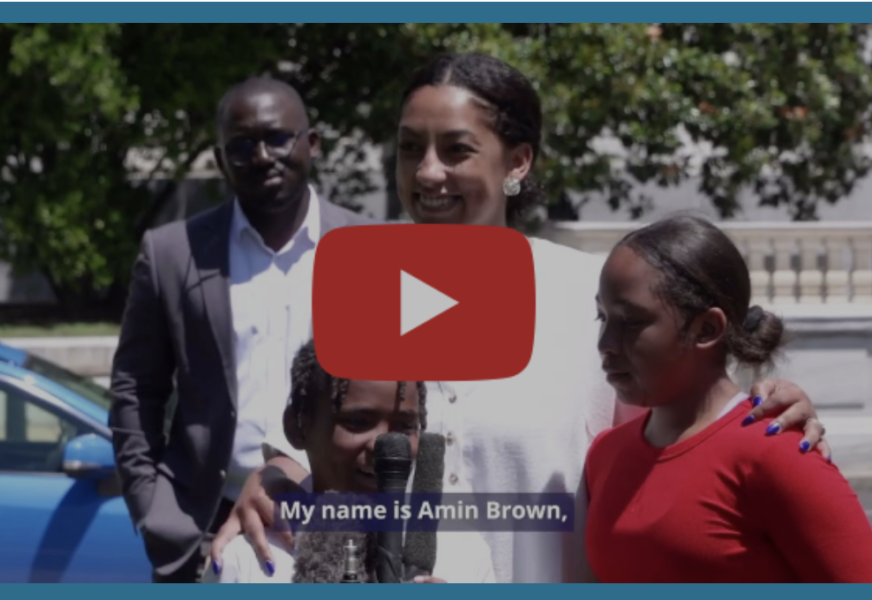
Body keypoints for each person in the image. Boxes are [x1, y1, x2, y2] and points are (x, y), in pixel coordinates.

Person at [211, 53, 830, 583]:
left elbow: (685, 438)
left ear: (517, 163)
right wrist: (272, 478)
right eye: (409, 149)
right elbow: (299, 447)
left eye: (457, 150)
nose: (428, 172)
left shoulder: (594, 300)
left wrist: (771, 411)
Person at [109, 76, 376, 583]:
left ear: (312, 143)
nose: (261, 155)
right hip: (205, 526)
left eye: (278, 138)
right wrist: (154, 509)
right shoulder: (172, 253)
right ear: (220, 157)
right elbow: (135, 389)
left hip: (340, 522)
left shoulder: (373, 247)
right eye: (241, 145)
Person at [580, 216, 872, 583]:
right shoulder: (605, 456)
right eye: (602, 317)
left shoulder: (779, 454)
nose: (605, 344)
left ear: (706, 329)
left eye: (632, 322)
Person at [202, 339, 496, 583]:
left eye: (405, 426)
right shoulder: (250, 560)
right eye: (357, 422)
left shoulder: (464, 555)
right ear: (297, 427)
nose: (385, 446)